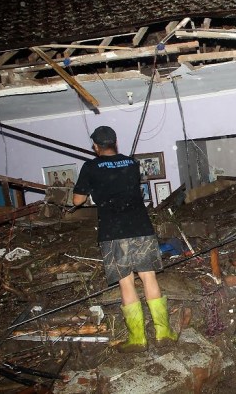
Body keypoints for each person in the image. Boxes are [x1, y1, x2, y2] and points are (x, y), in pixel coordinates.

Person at [73, 126, 178, 353]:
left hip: (113, 232)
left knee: (126, 281)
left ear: (95, 146)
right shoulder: (131, 164)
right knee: (149, 277)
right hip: (140, 227)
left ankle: (138, 338)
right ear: (115, 142)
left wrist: (92, 189)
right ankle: (163, 332)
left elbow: (77, 200)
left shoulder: (90, 166)